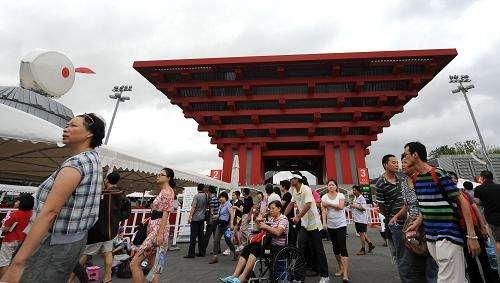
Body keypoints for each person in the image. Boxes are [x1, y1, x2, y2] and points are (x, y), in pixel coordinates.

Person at [1, 113, 105, 283]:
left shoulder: (76, 164)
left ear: (89, 134)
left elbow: (50, 212)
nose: (66, 128)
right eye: (67, 125)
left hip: (52, 243)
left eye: (73, 125)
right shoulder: (94, 161)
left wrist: (18, 263)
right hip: (75, 240)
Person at [404, 142, 480, 282]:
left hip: (448, 233)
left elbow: (462, 202)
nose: (404, 158)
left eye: (406, 155)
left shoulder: (437, 173)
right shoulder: (416, 179)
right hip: (431, 236)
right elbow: (425, 204)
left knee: (445, 278)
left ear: (415, 155)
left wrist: (471, 235)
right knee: (454, 277)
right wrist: (418, 222)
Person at [69, 171, 127, 283]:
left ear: (107, 180)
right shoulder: (120, 193)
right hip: (112, 229)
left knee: (85, 254)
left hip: (99, 229)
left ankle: (70, 279)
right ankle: (107, 277)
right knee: (108, 252)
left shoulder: (103, 193)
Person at [221, 200, 288, 283]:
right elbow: (264, 228)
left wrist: (266, 226)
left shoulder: (283, 219)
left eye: (273, 208)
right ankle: (235, 275)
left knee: (255, 248)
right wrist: (260, 223)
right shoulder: (272, 219)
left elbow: (278, 232)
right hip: (268, 244)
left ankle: (243, 277)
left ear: (279, 209)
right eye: (270, 208)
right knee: (247, 248)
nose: (271, 210)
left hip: (277, 247)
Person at [452, 172, 500, 283]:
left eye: (454, 178)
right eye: (451, 179)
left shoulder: (465, 194)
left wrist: (482, 226)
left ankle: (492, 279)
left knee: (484, 257)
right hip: (461, 232)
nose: (453, 181)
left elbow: (476, 208)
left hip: (477, 228)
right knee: (471, 261)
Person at [397, 154, 438, 282]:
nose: (402, 165)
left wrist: (419, 220)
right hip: (412, 224)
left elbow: (428, 202)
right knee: (413, 262)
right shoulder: (403, 182)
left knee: (432, 263)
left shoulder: (424, 178)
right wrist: (397, 216)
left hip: (427, 222)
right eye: (401, 162)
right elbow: (407, 204)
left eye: (405, 162)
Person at [130, 168, 175, 283]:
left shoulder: (167, 192)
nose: (158, 176)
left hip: (158, 230)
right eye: (159, 174)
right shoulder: (165, 191)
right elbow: (160, 212)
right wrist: (150, 218)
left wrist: (159, 234)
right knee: (152, 265)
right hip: (155, 227)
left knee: (134, 264)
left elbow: (166, 213)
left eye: (162, 174)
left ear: (168, 178)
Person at [284, 173, 330, 283]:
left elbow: (308, 205)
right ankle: (299, 277)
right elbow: (291, 204)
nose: (291, 180)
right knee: (300, 249)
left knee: (318, 250)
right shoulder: (295, 191)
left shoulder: (306, 189)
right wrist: (282, 216)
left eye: (293, 179)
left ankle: (325, 276)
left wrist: (298, 217)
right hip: (305, 225)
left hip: (314, 224)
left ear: (298, 179)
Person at [375, 154, 406, 277]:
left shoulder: (403, 179)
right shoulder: (380, 183)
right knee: (401, 252)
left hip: (409, 220)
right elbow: (381, 206)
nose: (397, 165)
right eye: (393, 162)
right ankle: (404, 276)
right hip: (395, 222)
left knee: (414, 250)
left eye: (397, 162)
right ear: (385, 165)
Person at [321, 179, 349, 282]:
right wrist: (324, 223)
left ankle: (345, 273)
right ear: (327, 186)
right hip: (331, 225)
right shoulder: (324, 197)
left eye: (333, 185)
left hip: (341, 224)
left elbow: (341, 207)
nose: (331, 186)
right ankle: (341, 267)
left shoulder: (340, 195)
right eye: (329, 185)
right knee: (335, 248)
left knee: (343, 247)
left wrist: (328, 203)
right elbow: (323, 211)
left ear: (336, 186)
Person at [0, 194, 34, 277]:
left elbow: (5, 228)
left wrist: (3, 226)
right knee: (16, 262)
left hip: (10, 240)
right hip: (23, 240)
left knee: (4, 262)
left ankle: (4, 279)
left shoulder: (15, 214)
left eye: (18, 201)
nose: (16, 202)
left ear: (22, 203)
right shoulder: (31, 213)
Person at [210, 192, 238, 264]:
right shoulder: (221, 205)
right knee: (216, 240)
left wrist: (231, 224)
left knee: (228, 240)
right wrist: (214, 216)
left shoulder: (228, 204)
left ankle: (235, 252)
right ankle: (215, 256)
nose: (220, 199)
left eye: (221, 197)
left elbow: (232, 214)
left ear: (225, 198)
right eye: (219, 197)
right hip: (220, 225)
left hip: (227, 226)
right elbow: (219, 215)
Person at [475, 170, 500, 252]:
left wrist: (485, 202)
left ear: (482, 178)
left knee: (498, 240)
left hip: (493, 219)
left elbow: (477, 201)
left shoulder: (478, 188)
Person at [351, 185, 375, 256]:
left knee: (361, 234)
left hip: (361, 219)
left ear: (358, 191)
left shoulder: (362, 198)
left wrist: (354, 206)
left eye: (354, 190)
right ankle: (370, 244)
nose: (353, 191)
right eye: (353, 190)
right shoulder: (356, 197)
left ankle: (363, 249)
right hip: (357, 219)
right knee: (362, 233)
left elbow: (363, 208)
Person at [185, 183, 208, 258]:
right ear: (203, 188)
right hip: (202, 218)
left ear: (197, 189)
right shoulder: (206, 196)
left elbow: (193, 207)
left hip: (195, 218)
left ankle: (191, 253)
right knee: (201, 236)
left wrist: (189, 217)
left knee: (193, 236)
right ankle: (202, 252)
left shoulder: (196, 196)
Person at [280, 179, 297, 246]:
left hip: (288, 217)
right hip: (287, 217)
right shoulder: (287, 194)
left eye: (281, 186)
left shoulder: (287, 195)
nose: (280, 187)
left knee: (290, 235)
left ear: (284, 187)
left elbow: (281, 205)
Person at [205, 186, 220, 255]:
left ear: (209, 192)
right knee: (216, 235)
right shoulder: (217, 198)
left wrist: (210, 219)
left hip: (212, 219)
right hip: (217, 218)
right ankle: (218, 249)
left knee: (207, 235)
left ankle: (203, 249)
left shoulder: (212, 199)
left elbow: (212, 210)